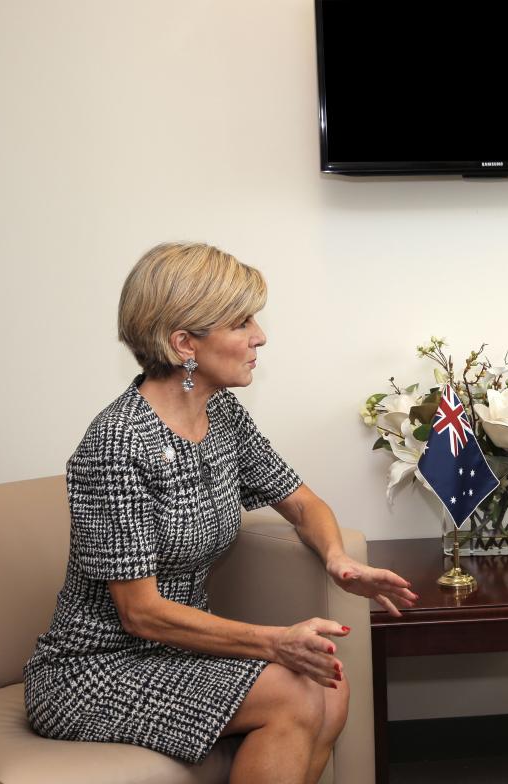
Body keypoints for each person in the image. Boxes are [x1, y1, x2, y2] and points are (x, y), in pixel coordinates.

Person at [24, 242, 419, 784]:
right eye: (241, 322)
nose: (260, 336)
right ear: (184, 343)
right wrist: (275, 641)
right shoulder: (116, 445)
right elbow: (141, 613)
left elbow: (302, 503)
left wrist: (337, 561)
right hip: (94, 670)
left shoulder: (222, 414)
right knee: (293, 690)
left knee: (329, 682)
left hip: (176, 653)